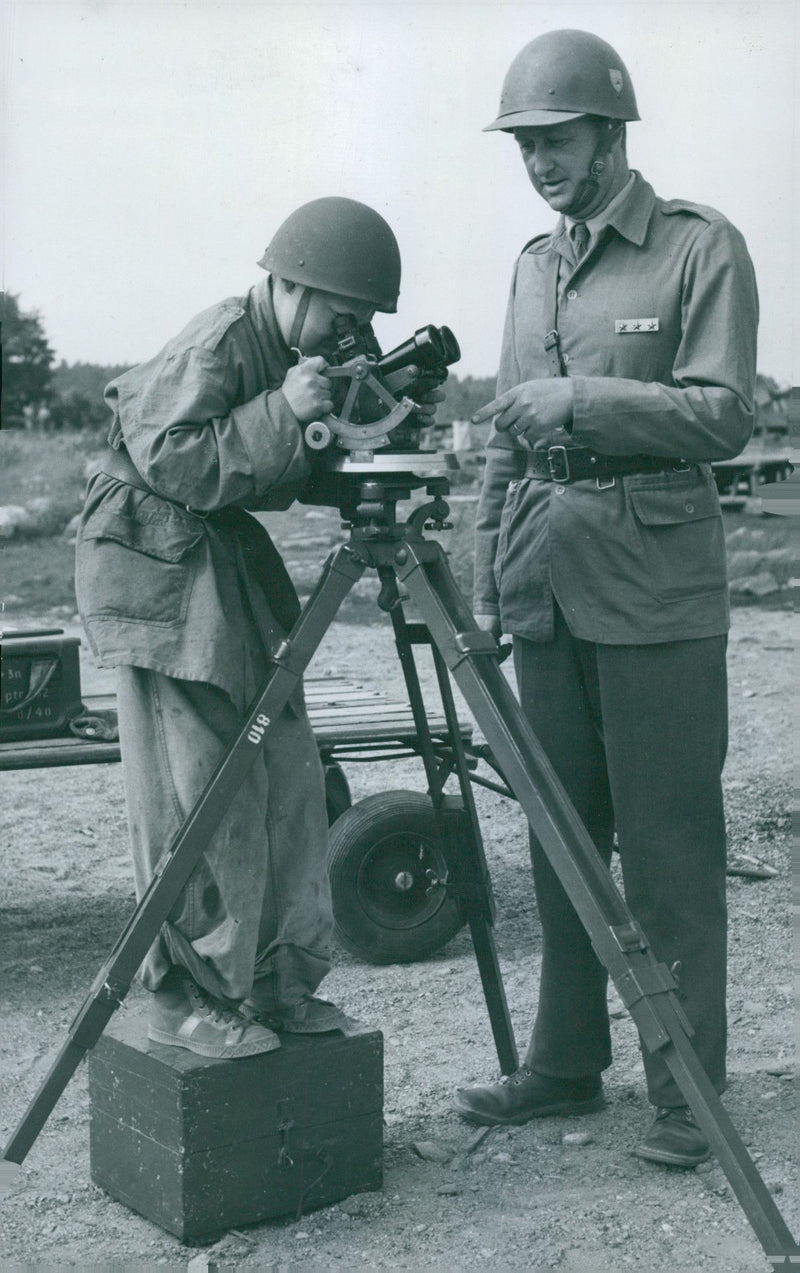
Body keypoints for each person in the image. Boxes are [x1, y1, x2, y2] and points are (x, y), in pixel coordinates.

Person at [454, 30, 758, 1167]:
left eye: (557, 138)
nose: (538, 160)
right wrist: (485, 580)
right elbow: (501, 439)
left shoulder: (695, 246)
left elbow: (724, 414)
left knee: (669, 853)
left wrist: (583, 402)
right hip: (545, 584)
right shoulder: (533, 263)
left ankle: (686, 1095)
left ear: (611, 130)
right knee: (559, 839)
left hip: (656, 592)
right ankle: (563, 1061)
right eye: (524, 143)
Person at [75, 197, 438, 1060]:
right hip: (154, 558)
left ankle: (276, 983)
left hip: (215, 548)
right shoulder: (222, 339)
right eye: (344, 319)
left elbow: (272, 471)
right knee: (204, 786)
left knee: (284, 767)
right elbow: (170, 457)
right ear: (294, 285)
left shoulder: (296, 353)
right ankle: (185, 998)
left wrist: (372, 416)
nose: (349, 336)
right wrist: (282, 408)